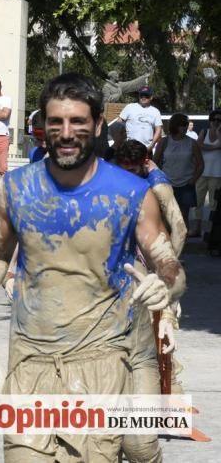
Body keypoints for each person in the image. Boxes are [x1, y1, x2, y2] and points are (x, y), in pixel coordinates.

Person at [0, 73, 185, 463]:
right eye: (56, 122)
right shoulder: (14, 188)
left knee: (137, 447)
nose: (66, 132)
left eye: (77, 122)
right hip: (29, 361)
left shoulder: (131, 193)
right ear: (43, 128)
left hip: (100, 362)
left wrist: (165, 286)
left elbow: (168, 262)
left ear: (97, 126)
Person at [114, 139, 185, 463]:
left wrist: (165, 269)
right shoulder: (117, 179)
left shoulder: (158, 187)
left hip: (155, 276)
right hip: (130, 275)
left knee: (161, 347)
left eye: (133, 170)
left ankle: (164, 413)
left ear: (145, 163)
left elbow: (180, 227)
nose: (128, 175)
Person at [153, 112, 203, 236]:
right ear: (175, 125)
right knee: (165, 216)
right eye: (183, 124)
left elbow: (200, 164)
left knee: (183, 216)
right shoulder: (164, 142)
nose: (186, 127)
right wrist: (159, 179)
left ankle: (181, 243)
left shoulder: (192, 143)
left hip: (186, 184)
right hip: (167, 184)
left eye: (187, 124)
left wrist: (194, 179)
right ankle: (165, 242)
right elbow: (155, 162)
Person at [192, 109, 221, 237]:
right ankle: (196, 228)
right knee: (198, 202)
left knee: (214, 204)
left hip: (217, 173)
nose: (216, 122)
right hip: (202, 172)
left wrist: (219, 132)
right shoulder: (204, 131)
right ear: (210, 120)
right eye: (214, 119)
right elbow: (198, 145)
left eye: (219, 120)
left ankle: (210, 231)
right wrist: (215, 147)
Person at [118, 85, 163, 150]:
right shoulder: (130, 107)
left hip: (146, 148)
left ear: (151, 97)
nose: (143, 97)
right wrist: (121, 139)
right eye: (141, 95)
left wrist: (152, 145)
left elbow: (158, 129)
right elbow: (118, 123)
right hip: (129, 147)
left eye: (146, 96)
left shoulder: (155, 111)